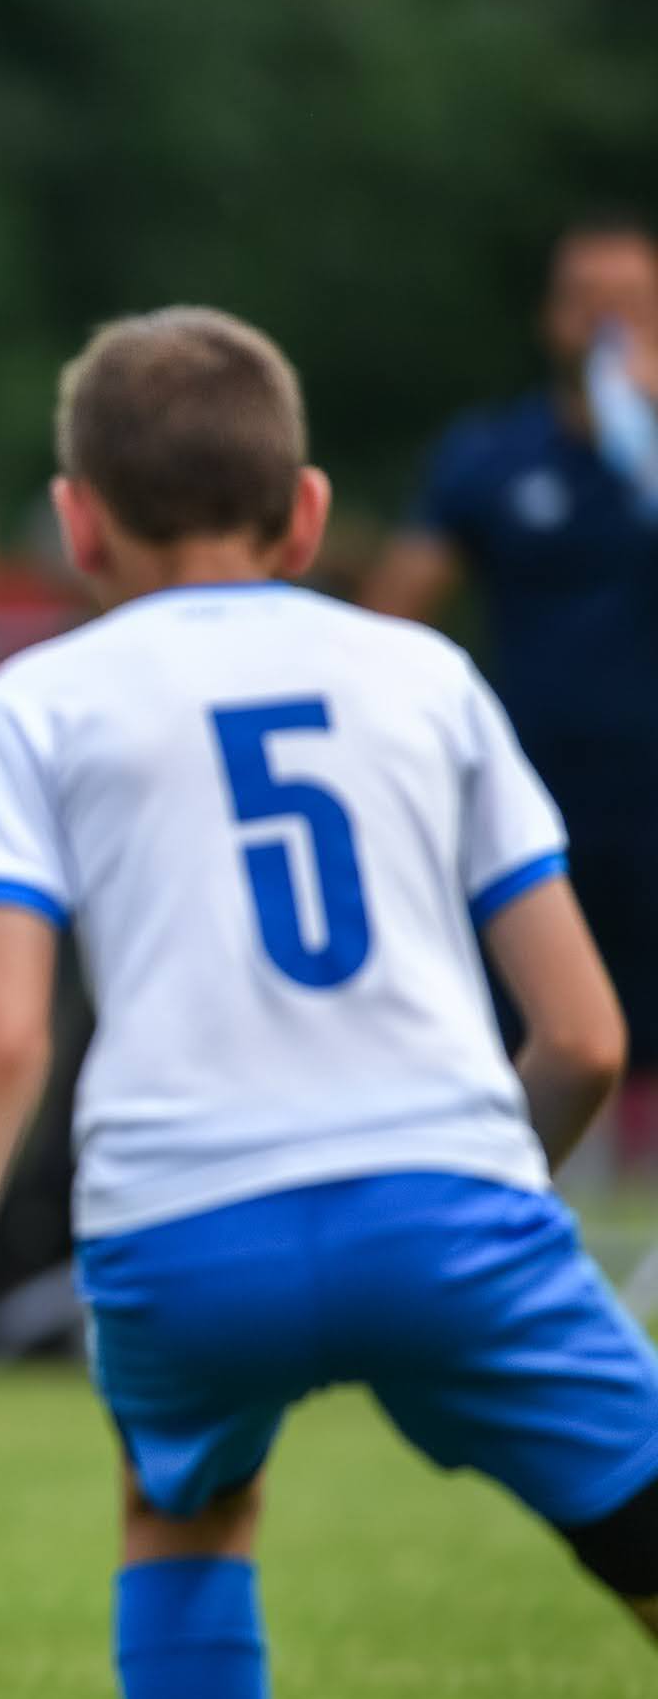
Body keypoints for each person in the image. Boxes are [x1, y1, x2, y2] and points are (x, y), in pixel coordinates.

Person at [0, 309, 658, 1699]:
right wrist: (469, 1199)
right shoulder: (428, 676)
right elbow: (586, 1039)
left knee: (183, 1510)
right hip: (451, 1201)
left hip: (181, 1230)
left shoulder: (35, 702)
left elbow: (0, 1039)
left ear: (76, 524)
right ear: (307, 512)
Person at [361, 213, 658, 1157]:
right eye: (586, 301)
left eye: (631, 302)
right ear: (550, 318)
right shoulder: (492, 457)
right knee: (525, 1028)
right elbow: (394, 614)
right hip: (534, 800)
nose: (607, 322)